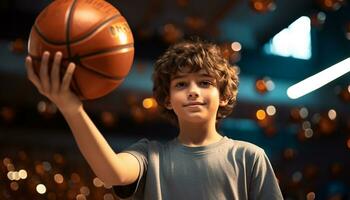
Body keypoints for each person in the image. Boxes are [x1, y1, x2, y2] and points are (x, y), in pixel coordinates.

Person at [25, 39, 283, 200]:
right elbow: (111, 172)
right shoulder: (150, 155)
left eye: (205, 82)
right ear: (168, 99)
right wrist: (72, 110)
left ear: (224, 96)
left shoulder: (249, 156)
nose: (193, 90)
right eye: (181, 84)